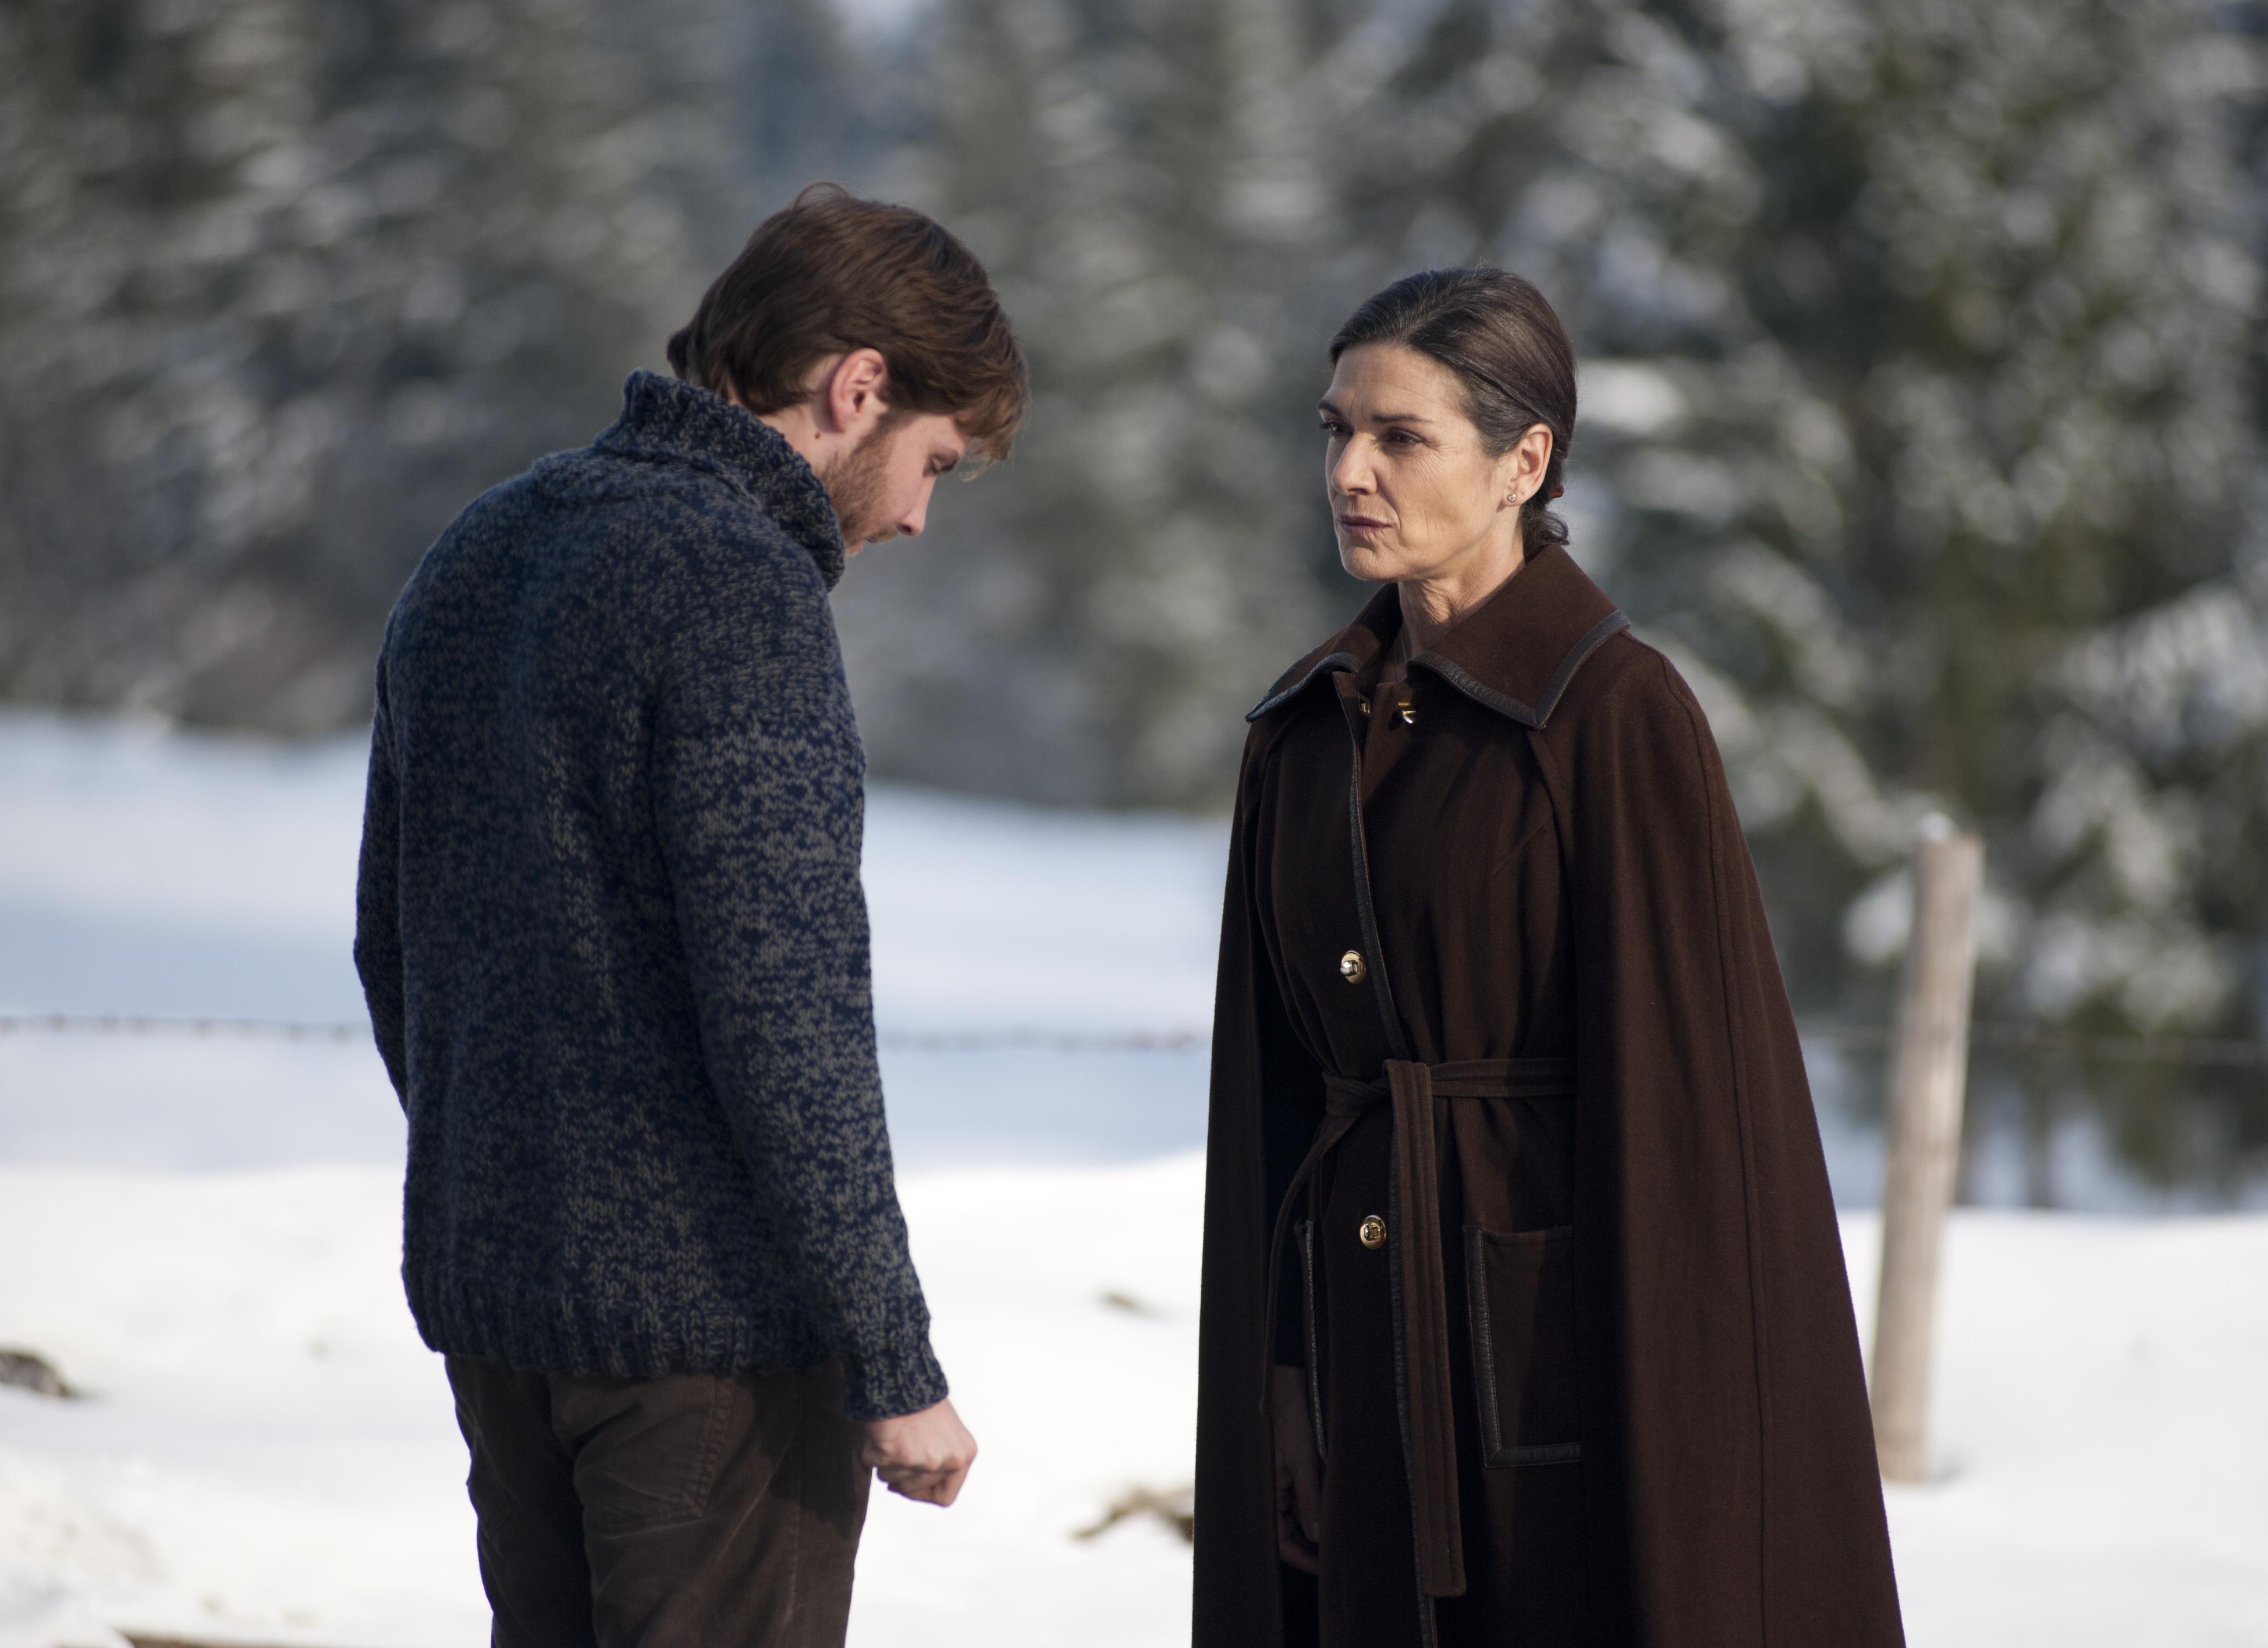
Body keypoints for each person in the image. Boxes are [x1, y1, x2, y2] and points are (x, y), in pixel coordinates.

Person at [352, 184, 1025, 1647]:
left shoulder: (478, 551)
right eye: (934, 462)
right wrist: (893, 1359)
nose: (918, 514)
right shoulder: (741, 590)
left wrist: (521, 1198)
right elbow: (787, 1019)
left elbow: (391, 947)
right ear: (857, 387)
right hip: (712, 1357)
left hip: (505, 1322)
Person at [1190, 268, 1905, 1646]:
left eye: (1400, 438)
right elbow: (1275, 1102)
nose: (1348, 472)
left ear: (1524, 462)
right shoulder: (1302, 732)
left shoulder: (1615, 718)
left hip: (1557, 1384)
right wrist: (1280, 1378)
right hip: (1352, 1350)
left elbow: (1695, 1131)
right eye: (1335, 430)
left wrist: (1676, 1462)